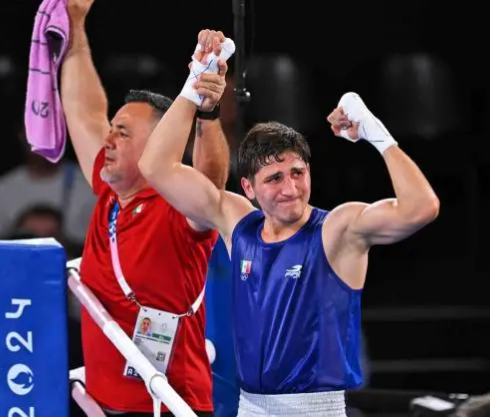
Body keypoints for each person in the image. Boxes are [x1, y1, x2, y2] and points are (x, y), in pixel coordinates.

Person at [138, 41, 440, 415]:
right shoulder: (237, 223)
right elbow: (155, 167)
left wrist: (375, 132)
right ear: (248, 187)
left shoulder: (336, 230)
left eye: (298, 173)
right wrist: (193, 86)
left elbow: (421, 207)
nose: (290, 189)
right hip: (249, 406)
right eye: (274, 178)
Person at [61, 1, 231, 415]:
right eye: (111, 130)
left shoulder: (176, 206)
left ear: (157, 143)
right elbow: (83, 110)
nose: (107, 139)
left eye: (121, 132)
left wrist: (206, 113)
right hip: (103, 405)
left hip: (169, 405)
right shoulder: (109, 190)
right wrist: (75, 21)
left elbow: (211, 185)